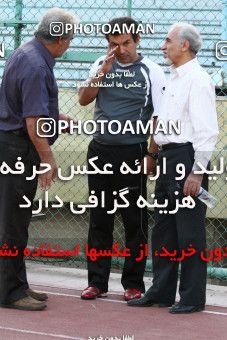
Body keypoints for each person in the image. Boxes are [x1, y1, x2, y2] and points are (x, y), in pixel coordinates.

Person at [127, 23, 219, 313]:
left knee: (189, 232)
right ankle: (161, 291)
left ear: (185, 46)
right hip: (167, 158)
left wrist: (197, 171)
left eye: (167, 41)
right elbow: (160, 120)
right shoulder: (173, 78)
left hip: (187, 158)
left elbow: (208, 131)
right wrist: (152, 154)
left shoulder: (198, 79)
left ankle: (192, 297)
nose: (162, 46)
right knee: (164, 230)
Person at [79, 17, 166, 301]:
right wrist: (101, 73)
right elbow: (83, 99)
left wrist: (151, 154)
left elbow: (158, 117)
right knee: (99, 219)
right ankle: (97, 282)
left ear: (137, 41)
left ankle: (133, 283)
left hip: (134, 152)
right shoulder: (101, 64)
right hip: (101, 151)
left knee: (134, 220)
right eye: (114, 44)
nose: (121, 49)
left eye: (126, 43)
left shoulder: (151, 69)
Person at [0, 7, 78, 311]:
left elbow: (24, 104)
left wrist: (54, 116)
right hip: (19, 149)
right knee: (14, 224)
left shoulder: (26, 53)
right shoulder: (36, 64)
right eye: (69, 38)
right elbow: (32, 122)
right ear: (61, 39)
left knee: (14, 221)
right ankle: (11, 291)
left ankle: (15, 283)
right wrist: (48, 159)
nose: (70, 44)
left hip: (13, 145)